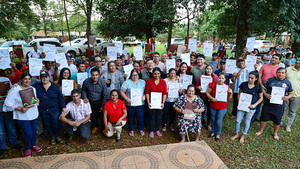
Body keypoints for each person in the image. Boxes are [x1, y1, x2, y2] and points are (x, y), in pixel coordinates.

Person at [4, 73, 42, 157]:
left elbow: (33, 100)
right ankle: (27, 148)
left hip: (33, 113)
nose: (27, 81)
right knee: (28, 133)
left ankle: (34, 145)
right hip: (22, 115)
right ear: (21, 80)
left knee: (33, 131)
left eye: (29, 79)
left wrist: (37, 101)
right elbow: (7, 103)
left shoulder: (32, 88)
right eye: (25, 79)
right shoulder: (15, 89)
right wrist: (20, 108)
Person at [255, 67, 293, 140]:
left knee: (277, 119)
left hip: (279, 106)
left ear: (285, 74)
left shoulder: (288, 83)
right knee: (264, 117)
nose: (280, 74)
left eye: (282, 73)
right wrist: (265, 94)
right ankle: (261, 130)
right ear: (276, 73)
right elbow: (263, 88)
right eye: (279, 72)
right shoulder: (270, 80)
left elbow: (291, 93)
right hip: (268, 103)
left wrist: (287, 97)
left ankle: (275, 133)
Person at [33, 71, 67, 145]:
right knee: (47, 123)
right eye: (42, 77)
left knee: (55, 122)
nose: (44, 79)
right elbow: (26, 87)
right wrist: (16, 85)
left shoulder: (55, 86)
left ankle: (57, 136)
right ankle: (52, 136)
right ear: (40, 78)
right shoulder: (36, 86)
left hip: (54, 108)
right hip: (43, 109)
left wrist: (63, 107)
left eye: (46, 77)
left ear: (49, 77)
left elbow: (60, 97)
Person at [230, 71, 263, 143]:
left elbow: (261, 98)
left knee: (247, 122)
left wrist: (254, 105)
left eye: (252, 78)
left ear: (256, 79)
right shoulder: (243, 84)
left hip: (251, 108)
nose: (250, 79)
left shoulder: (258, 87)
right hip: (242, 106)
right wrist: (239, 104)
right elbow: (239, 94)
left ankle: (243, 135)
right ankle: (237, 133)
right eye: (249, 77)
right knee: (237, 120)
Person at [254, 54, 281, 121]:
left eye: (276, 58)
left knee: (267, 104)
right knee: (258, 101)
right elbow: (259, 76)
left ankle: (264, 117)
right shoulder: (264, 66)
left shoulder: (279, 69)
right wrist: (261, 86)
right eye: (273, 57)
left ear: (279, 61)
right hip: (261, 87)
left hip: (272, 90)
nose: (274, 59)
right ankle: (255, 116)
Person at [206, 73, 233, 141]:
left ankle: (218, 134)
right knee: (213, 119)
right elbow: (207, 93)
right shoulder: (213, 85)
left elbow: (229, 98)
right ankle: (213, 132)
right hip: (213, 105)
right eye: (219, 78)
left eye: (222, 78)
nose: (221, 79)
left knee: (218, 121)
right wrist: (212, 98)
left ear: (225, 79)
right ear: (217, 78)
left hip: (222, 107)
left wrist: (231, 92)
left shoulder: (227, 87)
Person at [0, 76, 22, 157]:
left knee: (11, 128)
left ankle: (14, 142)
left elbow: (11, 90)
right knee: (0, 131)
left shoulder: (5, 79)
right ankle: (2, 147)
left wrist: (14, 86)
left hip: (7, 108)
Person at [120, 69, 146, 136]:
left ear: (138, 75)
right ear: (131, 75)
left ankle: (140, 129)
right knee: (131, 117)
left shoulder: (143, 82)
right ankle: (131, 129)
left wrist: (144, 96)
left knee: (140, 116)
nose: (135, 77)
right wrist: (126, 98)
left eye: (136, 75)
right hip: (130, 103)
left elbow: (147, 91)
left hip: (140, 103)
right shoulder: (127, 82)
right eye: (133, 75)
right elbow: (121, 92)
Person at [82, 67, 108, 133]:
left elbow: (105, 94)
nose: (95, 77)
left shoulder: (102, 82)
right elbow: (83, 90)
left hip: (99, 100)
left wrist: (103, 105)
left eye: (96, 75)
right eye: (93, 75)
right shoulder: (86, 81)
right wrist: (85, 97)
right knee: (93, 114)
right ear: (91, 74)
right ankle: (95, 126)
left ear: (99, 75)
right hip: (90, 100)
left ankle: (103, 127)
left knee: (101, 114)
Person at [145, 67, 167, 137]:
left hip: (159, 103)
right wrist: (148, 102)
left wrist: (163, 102)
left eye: (158, 74)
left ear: (160, 74)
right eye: (155, 74)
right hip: (152, 102)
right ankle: (151, 130)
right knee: (152, 116)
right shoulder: (149, 81)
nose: (156, 75)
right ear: (152, 74)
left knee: (158, 116)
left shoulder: (163, 82)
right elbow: (147, 92)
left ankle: (157, 129)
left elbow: (165, 93)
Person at [280, 57, 300, 132]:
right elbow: (282, 79)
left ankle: (288, 125)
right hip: (285, 94)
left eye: (299, 61)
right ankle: (280, 122)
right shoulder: (288, 69)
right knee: (283, 109)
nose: (297, 61)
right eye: (297, 60)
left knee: (292, 111)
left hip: (297, 95)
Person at [196, 65, 218, 131]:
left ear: (212, 70)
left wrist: (211, 97)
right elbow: (197, 86)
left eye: (210, 69)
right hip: (202, 96)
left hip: (211, 97)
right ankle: (200, 123)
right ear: (205, 69)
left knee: (209, 111)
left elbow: (217, 87)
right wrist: (198, 87)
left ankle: (208, 124)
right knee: (201, 110)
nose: (209, 70)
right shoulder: (201, 77)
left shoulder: (215, 77)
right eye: (207, 69)